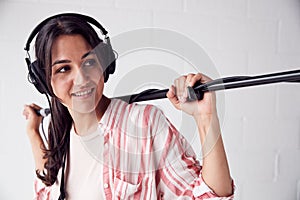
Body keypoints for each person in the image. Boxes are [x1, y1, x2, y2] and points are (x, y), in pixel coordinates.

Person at [23, 13, 234, 200]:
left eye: (89, 63)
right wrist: (33, 131)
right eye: (63, 69)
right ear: (44, 82)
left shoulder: (144, 124)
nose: (81, 79)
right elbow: (47, 184)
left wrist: (205, 117)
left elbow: (209, 197)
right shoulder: (61, 138)